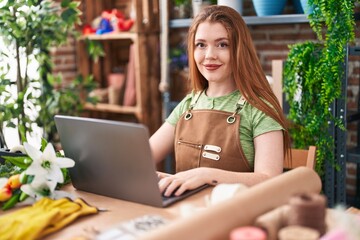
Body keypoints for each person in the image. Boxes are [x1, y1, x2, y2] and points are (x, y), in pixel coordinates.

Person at [150, 5, 290, 197]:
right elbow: (144, 157)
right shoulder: (188, 104)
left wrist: (206, 175)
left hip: (236, 216)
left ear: (240, 50)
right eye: (201, 45)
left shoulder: (259, 108)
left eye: (222, 44)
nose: (209, 55)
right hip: (186, 213)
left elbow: (269, 180)